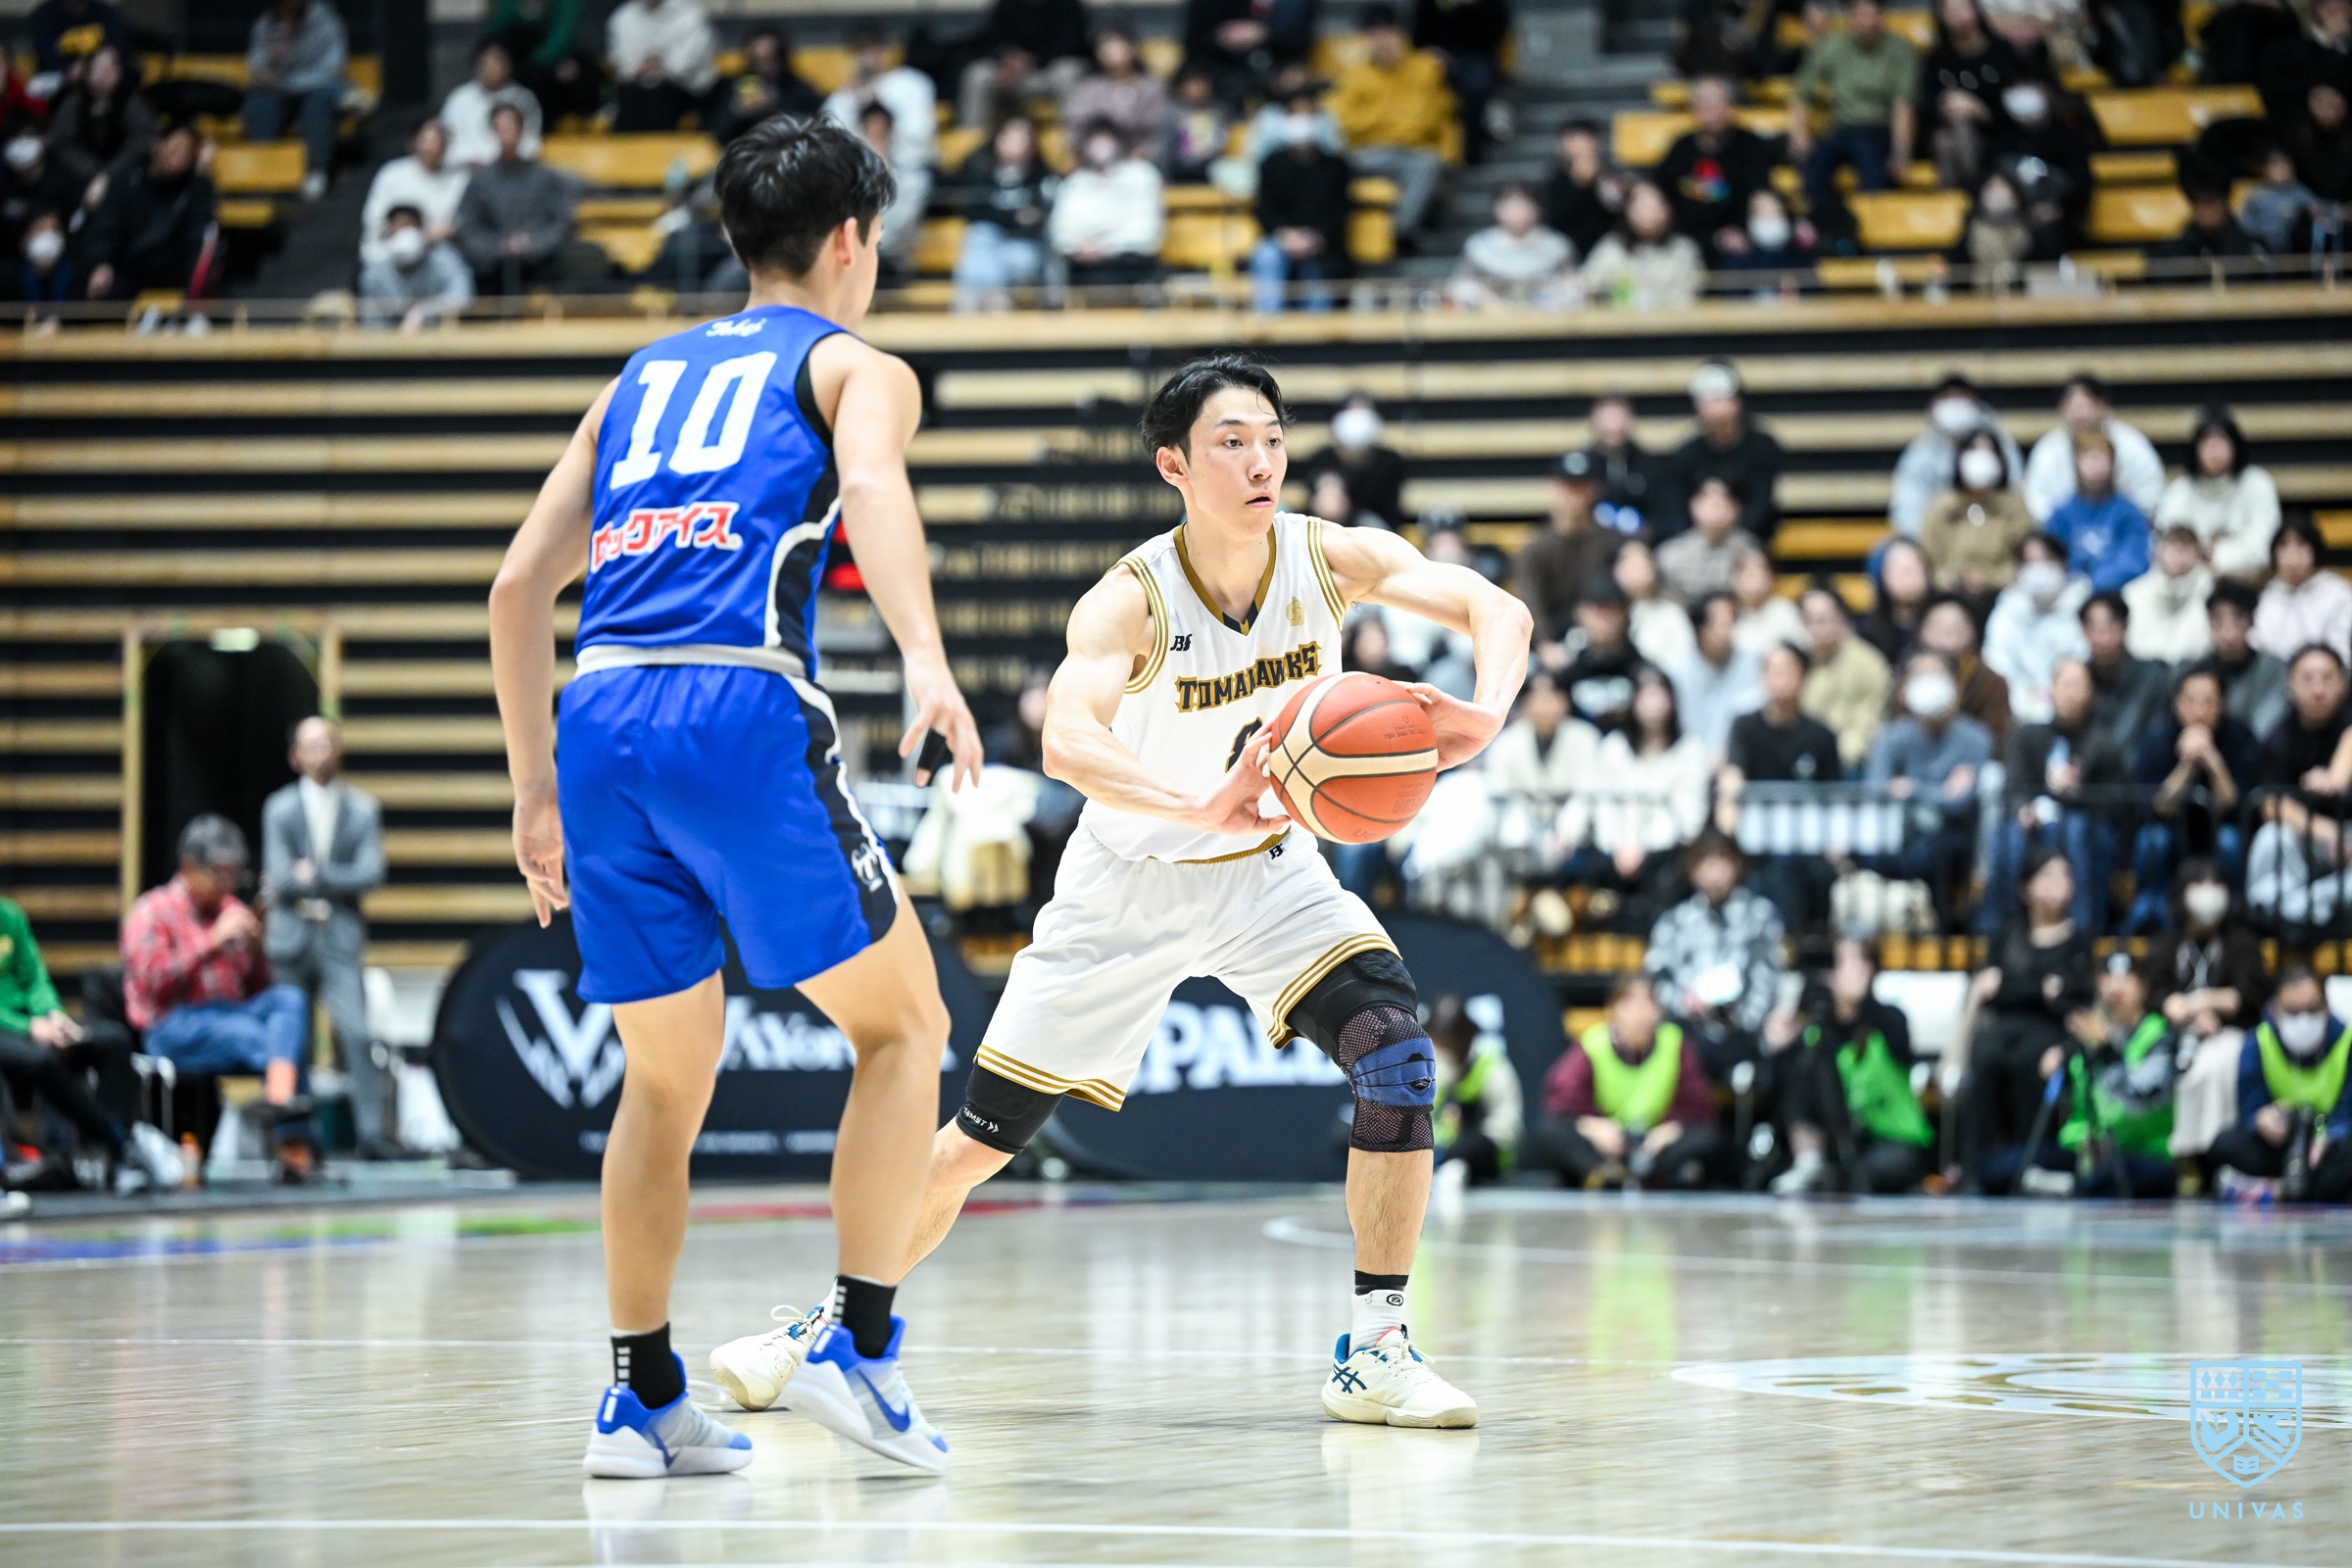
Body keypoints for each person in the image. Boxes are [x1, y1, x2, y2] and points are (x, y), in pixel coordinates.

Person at [869, 355, 1532, 1430]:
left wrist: (1487, 713)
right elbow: (1065, 739)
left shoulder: (1326, 556)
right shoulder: (1131, 599)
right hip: (1124, 889)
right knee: (973, 1149)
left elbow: (1493, 605)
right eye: (1232, 443)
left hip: (1269, 877)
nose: (1262, 461)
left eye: (1272, 439)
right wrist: (1198, 804)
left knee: (1396, 1052)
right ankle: (838, 1322)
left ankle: (1377, 1349)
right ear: (1174, 465)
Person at [490, 116, 985, 1478]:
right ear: (852, 240)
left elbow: (518, 587)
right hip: (737, 701)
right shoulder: (856, 365)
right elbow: (871, 488)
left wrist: (533, 790)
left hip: (598, 720)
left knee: (664, 1079)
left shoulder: (637, 378)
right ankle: (859, 1347)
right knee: (906, 1028)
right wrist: (927, 659)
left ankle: (640, 1398)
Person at [122, 816, 316, 1177]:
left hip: (230, 1013)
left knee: (289, 1000)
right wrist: (209, 943)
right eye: (220, 875)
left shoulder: (231, 911)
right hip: (173, 1023)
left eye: (234, 875)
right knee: (272, 1041)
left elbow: (256, 990)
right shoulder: (152, 910)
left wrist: (257, 950)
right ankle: (292, 1140)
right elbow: (152, 984)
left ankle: (279, 1096)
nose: (228, 885)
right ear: (189, 867)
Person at [260, 718, 393, 1156]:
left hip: (338, 937)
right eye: (311, 745)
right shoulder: (279, 808)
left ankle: (371, 1134)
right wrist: (325, 879)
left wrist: (313, 874)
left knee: (356, 1032)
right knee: (290, 1039)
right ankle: (294, 1137)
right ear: (294, 756)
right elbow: (280, 877)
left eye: (327, 744)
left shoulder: (362, 808)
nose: (320, 752)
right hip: (290, 937)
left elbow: (371, 873)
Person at [0, 894, 170, 1188]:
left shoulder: (9, 915)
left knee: (113, 1041)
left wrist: (52, 1014)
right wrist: (28, 1027)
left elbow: (35, 978)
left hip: (36, 1023)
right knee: (41, 1060)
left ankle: (116, 1165)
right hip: (10, 1030)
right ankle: (119, 1141)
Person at [1959, 844, 2093, 1189]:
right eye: (2047, 875)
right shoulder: (2008, 934)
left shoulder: (2077, 940)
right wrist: (2039, 988)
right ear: (2026, 887)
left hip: (2050, 1030)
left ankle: (2028, 1165)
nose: (2058, 883)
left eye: (2065, 875)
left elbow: (2075, 997)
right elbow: (1990, 989)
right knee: (1985, 1056)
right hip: (2005, 1026)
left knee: (2030, 1061)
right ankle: (1975, 1168)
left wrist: (2013, 986)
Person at [1761, 937, 1932, 1194]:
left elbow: (1901, 1048)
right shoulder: (1817, 1031)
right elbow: (1777, 1090)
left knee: (1862, 1175)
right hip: (1842, 1142)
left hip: (1893, 1139)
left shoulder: (1889, 1018)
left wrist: (1864, 1001)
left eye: (1858, 962)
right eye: (1842, 963)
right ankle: (1808, 1159)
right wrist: (1778, 1049)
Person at [1557, 664, 1712, 930]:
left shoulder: (1690, 751)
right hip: (1613, 849)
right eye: (1645, 695)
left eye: (1658, 694)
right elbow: (1590, 794)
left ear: (1672, 700)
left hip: (1664, 853)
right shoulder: (1614, 746)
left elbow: (1689, 816)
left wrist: (1642, 846)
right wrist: (1566, 831)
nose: (1652, 704)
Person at [1537, 972, 1721, 1189]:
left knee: (1709, 1137)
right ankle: (1607, 1175)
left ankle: (1652, 1176)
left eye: (1647, 1004)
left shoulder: (1674, 1043)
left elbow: (1698, 1105)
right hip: (1611, 1139)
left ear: (1659, 1011)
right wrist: (1594, 1126)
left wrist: (1670, 1129)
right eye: (1629, 1004)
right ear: (1613, 1009)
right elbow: (1560, 1101)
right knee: (1550, 1131)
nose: (1638, 1014)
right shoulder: (1593, 1044)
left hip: (1654, 1141)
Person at [1991, 659, 2129, 931]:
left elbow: (2116, 803)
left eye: (2078, 686)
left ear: (2091, 693)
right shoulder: (2026, 736)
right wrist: (2023, 810)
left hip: (2087, 825)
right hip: (2036, 824)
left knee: (2075, 830)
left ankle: (2082, 926)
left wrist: (2077, 793)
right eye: (2065, 685)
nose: (2071, 694)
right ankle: (2005, 927)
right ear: (2051, 690)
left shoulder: (2104, 743)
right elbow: (2013, 786)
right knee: (2005, 836)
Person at [1717, 640, 1845, 927]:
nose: (1780, 678)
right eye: (1773, 670)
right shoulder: (1745, 727)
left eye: (1788, 670)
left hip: (1806, 841)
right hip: (1755, 838)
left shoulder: (1822, 736)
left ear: (1804, 677)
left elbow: (1833, 798)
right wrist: (1728, 811)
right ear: (1762, 677)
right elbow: (1733, 775)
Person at [1644, 830, 1787, 1080]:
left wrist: (1739, 1015)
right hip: (1688, 1031)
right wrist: (1686, 1003)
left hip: (1745, 1034)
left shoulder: (1760, 916)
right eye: (1705, 863)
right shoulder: (1674, 921)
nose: (1714, 873)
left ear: (1737, 865)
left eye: (1721, 861)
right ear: (1692, 869)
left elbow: (1768, 976)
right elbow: (1656, 978)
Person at [2209, 966, 2352, 1201]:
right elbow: (2249, 1108)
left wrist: (2329, 1139)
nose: (2303, 1020)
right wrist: (2263, 1119)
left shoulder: (2347, 1041)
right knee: (2224, 1144)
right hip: (2282, 1144)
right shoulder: (2257, 1042)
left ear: (2327, 1007)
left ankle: (2278, 1190)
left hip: (2328, 1146)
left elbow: (2349, 1110)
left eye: (2312, 1010)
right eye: (2293, 1012)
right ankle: (2298, 1189)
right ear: (2275, 1009)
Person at [2129, 665, 2257, 922]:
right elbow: (2159, 806)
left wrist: (2212, 759)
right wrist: (2187, 764)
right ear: (2177, 704)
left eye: (2209, 702)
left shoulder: (2240, 736)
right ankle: (2154, 916)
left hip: (2220, 829)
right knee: (2151, 840)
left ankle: (2234, 916)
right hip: (2171, 829)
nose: (2200, 711)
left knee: (2230, 841)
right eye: (2191, 701)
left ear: (2222, 704)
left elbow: (2232, 804)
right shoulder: (2157, 737)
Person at [1331, 5, 1454, 239]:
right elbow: (1343, 121)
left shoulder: (1426, 67)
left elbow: (1431, 118)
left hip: (1412, 152)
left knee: (1428, 165)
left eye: (1387, 34)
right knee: (1331, 166)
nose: (1381, 42)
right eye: (1374, 35)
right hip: (1365, 153)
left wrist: (1377, 121)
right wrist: (1391, 119)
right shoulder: (1354, 75)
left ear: (1402, 35)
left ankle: (1396, 235)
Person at [1788, 0, 1921, 210]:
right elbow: (1801, 93)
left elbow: (1903, 105)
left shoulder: (1901, 50)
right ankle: (1814, 220)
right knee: (1816, 162)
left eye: (1871, 14)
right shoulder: (1832, 46)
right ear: (1850, 17)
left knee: (1870, 162)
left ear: (1882, 16)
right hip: (1840, 129)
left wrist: (1901, 152)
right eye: (1860, 15)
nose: (1866, 21)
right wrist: (1799, 133)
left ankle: (1871, 220)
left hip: (1879, 129)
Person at [454, 103, 594, 297]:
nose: (506, 134)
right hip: (493, 266)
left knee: (587, 257)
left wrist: (536, 243)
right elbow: (469, 226)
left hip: (542, 260)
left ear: (521, 131)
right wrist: (498, 246)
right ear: (492, 132)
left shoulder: (545, 176)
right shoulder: (480, 181)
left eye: (511, 128)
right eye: (500, 128)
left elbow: (562, 221)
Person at [79, 119, 218, 303]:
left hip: (171, 276)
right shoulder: (127, 180)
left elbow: (198, 240)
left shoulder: (197, 189)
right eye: (176, 148)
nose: (179, 157)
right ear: (158, 145)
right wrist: (102, 263)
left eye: (188, 153)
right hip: (126, 272)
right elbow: (106, 227)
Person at [1250, 86, 1354, 313]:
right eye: (1295, 115)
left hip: (1323, 243)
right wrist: (1285, 234)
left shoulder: (1336, 167)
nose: (1302, 121)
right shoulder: (1271, 164)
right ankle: (1267, 322)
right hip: (1281, 238)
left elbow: (1340, 211)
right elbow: (1264, 209)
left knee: (1321, 270)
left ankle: (1317, 327)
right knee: (1266, 256)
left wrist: (1316, 237)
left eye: (1308, 115)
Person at [1891, 373, 2026, 539]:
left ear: (1976, 403)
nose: (1955, 405)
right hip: (1936, 539)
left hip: (1997, 537)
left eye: (1961, 397)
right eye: (1947, 398)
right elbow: (1907, 509)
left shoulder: (2000, 446)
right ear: (1932, 406)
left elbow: (2016, 495)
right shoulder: (1919, 454)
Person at [2156, 407, 2280, 582]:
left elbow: (2265, 549)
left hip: (2249, 584)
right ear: (2195, 448)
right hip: (2189, 586)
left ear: (2235, 446)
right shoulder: (2179, 491)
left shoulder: (2258, 484)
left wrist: (2213, 556)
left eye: (2221, 442)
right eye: (2207, 443)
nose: (2214, 450)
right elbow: (2168, 550)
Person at [823, 28, 937, 219]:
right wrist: (858, 100)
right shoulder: (842, 98)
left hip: (907, 175)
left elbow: (919, 135)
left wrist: (877, 101)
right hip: (856, 181)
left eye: (873, 49)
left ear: (886, 51)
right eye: (860, 51)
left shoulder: (912, 83)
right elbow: (832, 143)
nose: (868, 57)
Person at [1516, 449, 1620, 657]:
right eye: (1568, 487)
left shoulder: (1612, 542)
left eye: (1581, 487)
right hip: (1549, 643)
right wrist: (1544, 643)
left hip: (1605, 639)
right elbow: (1530, 602)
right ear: (1553, 488)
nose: (1575, 495)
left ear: (1594, 489)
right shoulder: (1535, 548)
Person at [2022, 373, 2165, 523]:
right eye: (2073, 407)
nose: (2080, 415)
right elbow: (2038, 499)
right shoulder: (2047, 450)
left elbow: (2150, 493)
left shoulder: (2132, 444)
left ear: (2103, 406)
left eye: (2086, 406)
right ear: (2061, 410)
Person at [1658, 75, 1773, 262]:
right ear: (1692, 109)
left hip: (1740, 242)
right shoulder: (1681, 148)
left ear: (1730, 107)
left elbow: (1760, 195)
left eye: (1715, 101)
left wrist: (1740, 232)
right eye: (1702, 102)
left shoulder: (1750, 146)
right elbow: (1661, 191)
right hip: (1687, 241)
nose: (1708, 109)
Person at [949, 115, 1055, 313]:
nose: (1016, 145)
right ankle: (995, 304)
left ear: (1033, 145)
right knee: (981, 236)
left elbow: (1042, 217)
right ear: (998, 139)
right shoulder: (981, 170)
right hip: (988, 244)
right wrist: (1014, 216)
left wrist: (1004, 215)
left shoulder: (1042, 177)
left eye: (1022, 139)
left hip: (1023, 245)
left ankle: (973, 308)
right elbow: (975, 213)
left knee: (1001, 261)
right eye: (1010, 138)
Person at [1669, 359, 1781, 545]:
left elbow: (1761, 506)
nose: (1717, 410)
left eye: (1722, 399)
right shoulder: (1686, 455)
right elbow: (1677, 511)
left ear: (1737, 402)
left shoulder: (1763, 448)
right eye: (1710, 401)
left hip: (1751, 541)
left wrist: (1731, 536)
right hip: (1698, 543)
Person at [242, 0, 346, 200]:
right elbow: (255, 69)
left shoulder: (326, 22)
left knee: (318, 105)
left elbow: (332, 69)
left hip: (316, 87)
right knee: (259, 103)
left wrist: (292, 84)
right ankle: (262, 166)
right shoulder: (265, 25)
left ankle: (316, 171)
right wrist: (272, 59)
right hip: (278, 90)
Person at [1917, 0, 2025, 189]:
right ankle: (1974, 193)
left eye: (1962, 8)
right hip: (1952, 131)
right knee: (1947, 137)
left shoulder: (2000, 51)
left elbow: (2016, 99)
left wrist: (1981, 109)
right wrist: (1944, 104)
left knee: (1947, 142)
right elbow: (1926, 106)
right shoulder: (1937, 58)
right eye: (1951, 11)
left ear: (1976, 10)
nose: (1958, 16)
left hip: (1998, 132)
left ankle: (1962, 195)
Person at [1982, 530, 2088, 721]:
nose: (2039, 570)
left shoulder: (2082, 603)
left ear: (2063, 563)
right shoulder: (2007, 608)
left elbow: (2083, 657)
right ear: (2018, 569)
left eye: (2046, 561)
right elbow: (1997, 662)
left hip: (2071, 710)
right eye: (2030, 563)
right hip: (2016, 710)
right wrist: (2021, 703)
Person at [1048, 121, 1165, 290]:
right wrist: (1080, 246)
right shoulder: (1074, 182)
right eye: (1095, 141)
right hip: (1083, 266)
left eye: (1106, 140)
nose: (1101, 148)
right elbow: (1060, 232)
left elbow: (1146, 233)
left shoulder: (1141, 175)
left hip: (1131, 264)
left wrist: (1106, 247)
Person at [1918, 428, 2034, 600]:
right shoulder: (1942, 506)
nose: (1981, 458)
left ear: (1999, 459)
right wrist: (1949, 579)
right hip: (1949, 595)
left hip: (2004, 595)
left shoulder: (2014, 506)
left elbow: (2025, 559)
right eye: (1973, 450)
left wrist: (1988, 579)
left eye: (1988, 452)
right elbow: (1928, 557)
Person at [959, 0, 1094, 130]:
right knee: (978, 74)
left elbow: (1072, 44)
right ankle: (973, 139)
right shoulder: (1006, 4)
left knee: (1068, 71)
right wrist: (1006, 60)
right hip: (1013, 75)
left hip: (1047, 74)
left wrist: (1031, 61)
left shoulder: (1068, 4)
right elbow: (993, 41)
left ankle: (1074, 137)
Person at [1431, 995, 1522, 1186]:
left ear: (1467, 1034)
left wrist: (1466, 1142)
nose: (1444, 1044)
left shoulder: (1493, 1065)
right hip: (1439, 1151)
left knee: (1469, 1149)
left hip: (1484, 1154)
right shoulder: (1433, 1064)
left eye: (1450, 1037)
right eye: (1439, 1037)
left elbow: (1507, 1128)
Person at [1798, 584, 1891, 769]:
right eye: (1809, 620)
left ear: (1842, 618)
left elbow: (1867, 726)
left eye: (1823, 620)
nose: (1816, 628)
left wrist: (1829, 758)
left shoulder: (1869, 664)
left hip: (1850, 763)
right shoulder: (1795, 662)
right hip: (1801, 758)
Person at [2043, 435, 2151, 596]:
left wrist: (2092, 583)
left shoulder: (2129, 513)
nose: (2095, 466)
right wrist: (2071, 580)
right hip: (2067, 592)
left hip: (2118, 592)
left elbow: (2133, 561)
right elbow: (2050, 557)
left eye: (2101, 458)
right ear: (2075, 463)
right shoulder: (2061, 513)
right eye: (2089, 458)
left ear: (2113, 463)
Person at [1579, 177, 1706, 313]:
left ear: (1667, 210)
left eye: (1654, 206)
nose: (1648, 213)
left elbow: (1693, 295)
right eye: (1641, 206)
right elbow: (1587, 284)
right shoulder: (1612, 247)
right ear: (1628, 210)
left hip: (1674, 322)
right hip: (1621, 322)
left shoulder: (1684, 249)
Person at [359, 120, 467, 272]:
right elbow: (373, 217)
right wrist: (407, 231)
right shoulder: (392, 173)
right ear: (414, 142)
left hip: (441, 252)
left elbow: (464, 219)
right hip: (393, 249)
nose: (433, 146)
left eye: (439, 140)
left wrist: (438, 233)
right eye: (427, 140)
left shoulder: (460, 178)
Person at [43, 43, 153, 191]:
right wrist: (92, 172)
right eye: (97, 69)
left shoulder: (133, 103)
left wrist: (108, 174)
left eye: (108, 69)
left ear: (120, 73)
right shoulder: (74, 102)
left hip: (122, 176)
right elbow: (61, 142)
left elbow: (142, 141)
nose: (102, 75)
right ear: (87, 72)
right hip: (79, 176)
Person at [1449, 180, 1576, 308]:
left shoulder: (1557, 246)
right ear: (1497, 209)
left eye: (1523, 205)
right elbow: (1459, 284)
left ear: (1537, 208)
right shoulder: (1479, 246)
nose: (1516, 211)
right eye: (1510, 205)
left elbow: (1572, 282)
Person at [1414, 0, 1513, 163]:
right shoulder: (1430, 3)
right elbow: (1418, 35)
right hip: (1436, 56)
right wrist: (1433, 51)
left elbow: (1496, 35)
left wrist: (1473, 8)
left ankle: (1471, 148)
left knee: (1477, 83)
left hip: (1476, 55)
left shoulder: (1490, 5)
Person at [2252, 512, 2352, 665]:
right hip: (2275, 677)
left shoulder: (2338, 593)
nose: (2292, 555)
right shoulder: (2268, 595)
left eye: (2301, 545)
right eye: (2283, 546)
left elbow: (2340, 650)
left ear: (2315, 550)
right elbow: (2259, 645)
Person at [1674, 592, 1763, 761]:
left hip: (1740, 758)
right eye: (1720, 624)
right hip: (1685, 761)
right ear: (1699, 627)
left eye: (1731, 622)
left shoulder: (1754, 663)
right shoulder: (1676, 669)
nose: (1728, 630)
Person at [2079, 592, 2169, 758]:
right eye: (2094, 629)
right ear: (2083, 631)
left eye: (2109, 628)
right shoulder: (2078, 679)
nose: (2102, 638)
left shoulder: (2153, 676)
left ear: (2125, 627)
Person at [606, 0, 718, 133]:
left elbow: (691, 59)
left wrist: (662, 67)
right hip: (636, 90)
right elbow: (621, 61)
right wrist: (641, 69)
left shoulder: (691, 14)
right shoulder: (624, 16)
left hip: (684, 91)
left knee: (658, 102)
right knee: (631, 106)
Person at [1302, 394, 1409, 530]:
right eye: (1353, 412)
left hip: (1376, 529)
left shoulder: (1391, 462)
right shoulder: (1322, 459)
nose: (1359, 420)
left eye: (1365, 413)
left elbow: (1392, 509)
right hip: (1328, 527)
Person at [360, 202, 473, 330]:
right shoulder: (375, 272)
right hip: (392, 338)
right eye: (398, 228)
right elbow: (371, 324)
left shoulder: (444, 258)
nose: (404, 234)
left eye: (409, 226)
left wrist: (424, 311)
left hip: (437, 334)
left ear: (422, 229)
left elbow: (462, 297)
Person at [1061, 24, 1169, 158]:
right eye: (1105, 49)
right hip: (1096, 158)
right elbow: (1076, 126)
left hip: (1140, 158)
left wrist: (1148, 151)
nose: (1111, 54)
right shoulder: (1089, 87)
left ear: (1134, 48)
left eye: (1118, 47)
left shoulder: (1152, 87)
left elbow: (1161, 128)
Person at [488, 0, 601, 125]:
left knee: (578, 73)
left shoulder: (565, 5)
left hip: (554, 70)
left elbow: (560, 42)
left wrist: (536, 67)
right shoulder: (508, 6)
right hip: (520, 71)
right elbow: (497, 39)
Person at [1919, 594, 2010, 745]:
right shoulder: (1909, 677)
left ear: (1972, 631)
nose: (1948, 634)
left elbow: (1997, 737)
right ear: (1923, 632)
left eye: (1957, 628)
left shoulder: (1991, 682)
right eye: (1939, 627)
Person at [2207, 578, 2291, 740]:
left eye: (2237, 619)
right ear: (2209, 623)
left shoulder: (2275, 670)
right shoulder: (2197, 672)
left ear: (2252, 621)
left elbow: (2268, 727)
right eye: (2219, 621)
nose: (2228, 633)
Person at [1557, 577, 1643, 732]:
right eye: (1596, 613)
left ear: (1625, 615)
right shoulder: (1567, 674)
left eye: (1610, 613)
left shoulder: (1642, 670)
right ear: (1580, 614)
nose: (1603, 622)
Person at [440, 40, 543, 172]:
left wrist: (503, 161)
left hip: (511, 171)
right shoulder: (459, 98)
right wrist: (469, 159)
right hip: (466, 170)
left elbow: (531, 141)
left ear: (509, 65)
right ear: (477, 65)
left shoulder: (523, 99)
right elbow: (446, 140)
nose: (492, 67)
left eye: (498, 62)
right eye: (487, 63)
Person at [710, 27, 823, 145]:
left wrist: (777, 103)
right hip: (744, 149)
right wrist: (736, 110)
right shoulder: (733, 87)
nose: (763, 66)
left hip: (788, 149)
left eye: (769, 59)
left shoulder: (795, 87)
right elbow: (716, 132)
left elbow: (814, 118)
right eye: (757, 60)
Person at [1656, 476, 1759, 606]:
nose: (1716, 510)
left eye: (1723, 502)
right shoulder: (1670, 555)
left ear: (1736, 508)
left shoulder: (1750, 550)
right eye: (1709, 502)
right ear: (1694, 505)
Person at [2121, 524, 2214, 665]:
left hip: (2196, 668)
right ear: (2158, 552)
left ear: (2199, 554)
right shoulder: (2133, 593)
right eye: (2173, 545)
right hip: (2144, 669)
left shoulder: (2213, 593)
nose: (2179, 554)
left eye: (2186, 547)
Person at [1585, 393, 1671, 537]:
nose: (1613, 427)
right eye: (1607, 420)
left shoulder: (1651, 466)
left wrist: (1643, 539)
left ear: (1630, 421)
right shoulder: (1583, 468)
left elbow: (1663, 514)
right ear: (1595, 422)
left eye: (1618, 419)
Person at [1540, 117, 1620, 257]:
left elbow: (1617, 211)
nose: (1581, 146)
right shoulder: (1556, 181)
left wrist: (1597, 181)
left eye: (1586, 139)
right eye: (1574, 139)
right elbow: (1555, 218)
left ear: (1597, 142)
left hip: (1607, 249)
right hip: (1565, 249)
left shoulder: (1610, 176)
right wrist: (1580, 183)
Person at [1615, 540, 1696, 669]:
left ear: (1653, 570)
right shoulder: (1606, 612)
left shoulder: (1671, 613)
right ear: (1616, 571)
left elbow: (1684, 654)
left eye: (1641, 565)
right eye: (1629, 565)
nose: (1635, 573)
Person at [1857, 536, 1933, 664]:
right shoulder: (1865, 632)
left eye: (1915, 565)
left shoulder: (1946, 617)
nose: (1909, 575)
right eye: (1897, 568)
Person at [2154, 174, 2262, 262]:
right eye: (2201, 202)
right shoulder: (2174, 253)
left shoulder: (2250, 248)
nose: (2208, 210)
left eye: (2212, 201)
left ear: (2225, 203)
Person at [2236, 143, 2321, 255]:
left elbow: (2317, 207)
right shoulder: (2256, 195)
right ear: (2264, 169)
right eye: (2276, 165)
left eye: (2286, 164)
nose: (2283, 169)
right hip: (2262, 243)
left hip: (2290, 245)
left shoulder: (2298, 191)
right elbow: (2245, 224)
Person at [1161, 65, 1236, 184]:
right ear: (1182, 86)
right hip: (1179, 170)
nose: (1198, 88)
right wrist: (1165, 175)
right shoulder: (1172, 113)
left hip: (1211, 168)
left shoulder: (1218, 112)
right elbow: (1164, 147)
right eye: (1193, 84)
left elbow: (1224, 143)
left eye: (1202, 84)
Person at [1729, 544, 1806, 657]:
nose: (1753, 575)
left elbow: (1801, 653)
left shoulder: (1786, 612)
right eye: (1744, 569)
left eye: (1760, 568)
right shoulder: (1726, 614)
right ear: (1733, 579)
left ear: (1772, 577)